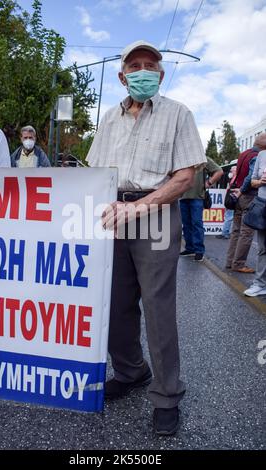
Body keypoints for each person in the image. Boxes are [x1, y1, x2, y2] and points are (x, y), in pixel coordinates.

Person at [86, 40, 206, 435]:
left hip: (153, 215)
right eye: (134, 66)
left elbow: (185, 176)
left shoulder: (178, 114)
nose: (142, 71)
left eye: (150, 65)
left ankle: (167, 394)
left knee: (157, 307)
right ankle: (131, 370)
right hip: (112, 214)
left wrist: (140, 207)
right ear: (122, 77)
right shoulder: (108, 118)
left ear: (160, 74)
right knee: (115, 303)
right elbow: (96, 171)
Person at [225, 135, 266, 273]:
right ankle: (239, 264)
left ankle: (230, 261)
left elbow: (239, 174)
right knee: (246, 233)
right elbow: (250, 177)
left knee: (236, 230)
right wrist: (242, 191)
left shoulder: (244, 153)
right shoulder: (257, 155)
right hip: (248, 195)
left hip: (239, 196)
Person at [180, 157, 223, 260]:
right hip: (182, 196)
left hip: (197, 197)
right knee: (186, 225)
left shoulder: (202, 158)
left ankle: (199, 250)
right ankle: (190, 248)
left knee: (196, 224)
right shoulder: (181, 157)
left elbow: (219, 171)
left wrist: (208, 183)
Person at [244, 135, 266, 296]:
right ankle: (260, 284)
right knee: (263, 248)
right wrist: (261, 181)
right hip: (263, 205)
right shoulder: (261, 155)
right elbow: (252, 181)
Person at [216, 165, 237, 239]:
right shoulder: (232, 179)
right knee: (229, 217)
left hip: (232, 201)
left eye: (231, 171)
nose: (230, 172)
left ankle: (225, 233)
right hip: (229, 201)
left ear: (235, 171)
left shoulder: (236, 179)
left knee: (229, 217)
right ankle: (226, 232)